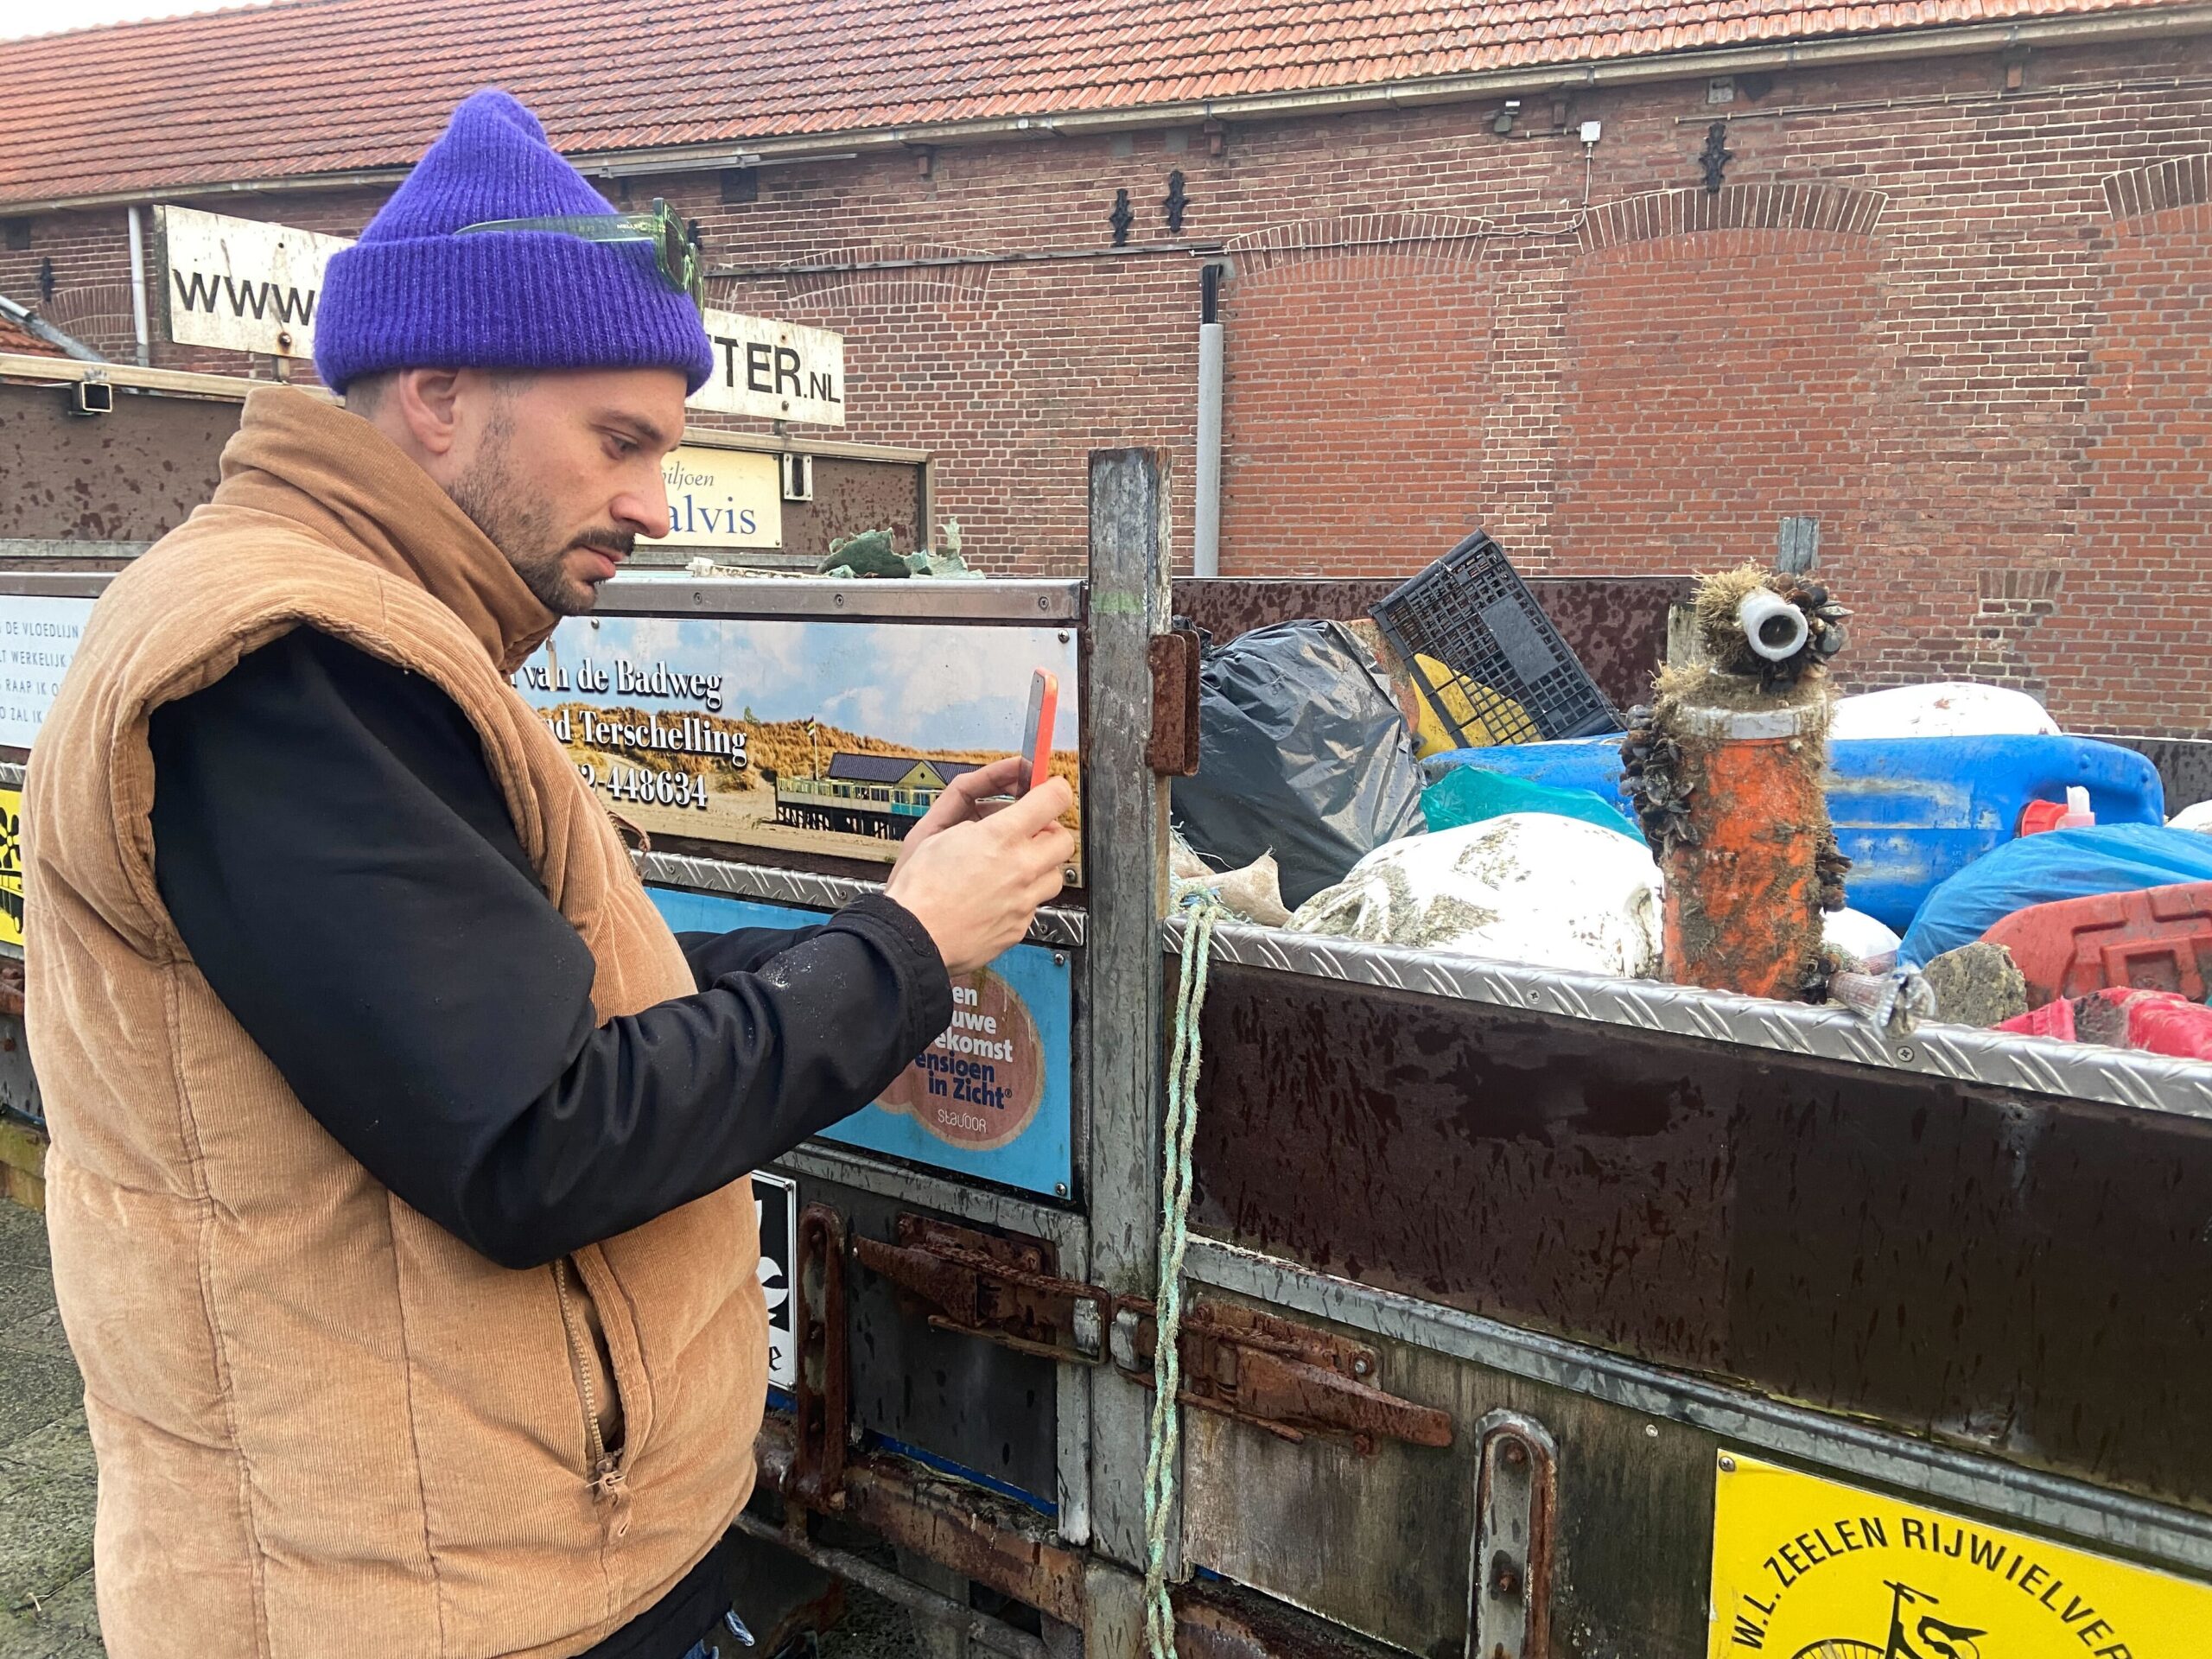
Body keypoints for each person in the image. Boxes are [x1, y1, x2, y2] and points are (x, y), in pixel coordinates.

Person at [23, 88, 1074, 1659]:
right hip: (420, 1604)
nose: (656, 502)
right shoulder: (289, 670)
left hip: (493, 1560)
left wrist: (883, 920)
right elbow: (538, 1143)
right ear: (441, 395)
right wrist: (908, 953)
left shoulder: (378, 640)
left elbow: (544, 1013)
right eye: (621, 440)